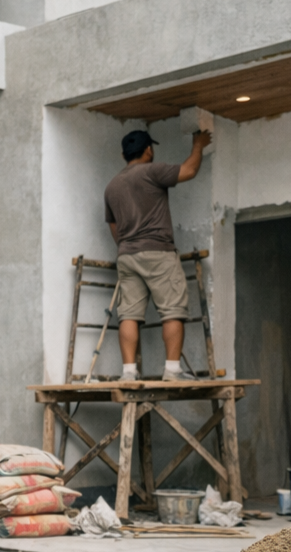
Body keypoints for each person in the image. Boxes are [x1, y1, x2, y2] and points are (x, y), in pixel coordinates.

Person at [103, 128, 212, 381]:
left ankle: (128, 373)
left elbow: (113, 226)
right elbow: (189, 171)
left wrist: (129, 245)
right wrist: (198, 145)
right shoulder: (152, 171)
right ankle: (172, 371)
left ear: (123, 155)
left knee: (129, 313)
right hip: (158, 252)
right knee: (172, 309)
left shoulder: (112, 186)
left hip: (127, 256)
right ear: (149, 150)